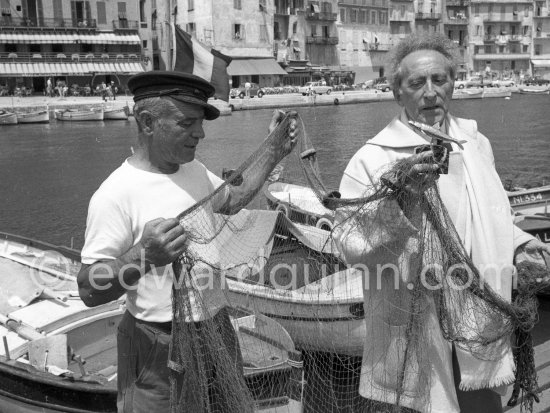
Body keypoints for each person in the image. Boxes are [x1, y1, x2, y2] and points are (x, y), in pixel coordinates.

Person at [334, 33, 549, 413]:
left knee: (482, 401)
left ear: (453, 82)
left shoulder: (475, 142)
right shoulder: (371, 159)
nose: (430, 92)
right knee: (424, 401)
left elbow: (492, 212)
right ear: (397, 92)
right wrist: (402, 199)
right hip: (415, 313)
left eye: (439, 80)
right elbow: (347, 241)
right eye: (416, 83)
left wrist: (517, 242)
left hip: (479, 305)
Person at [77, 71, 297, 413]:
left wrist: (274, 151)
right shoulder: (115, 194)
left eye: (201, 122)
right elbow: (88, 289)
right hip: (158, 343)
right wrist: (144, 257)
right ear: (147, 121)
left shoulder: (192, 169)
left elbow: (233, 199)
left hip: (217, 326)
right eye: (187, 123)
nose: (201, 133)